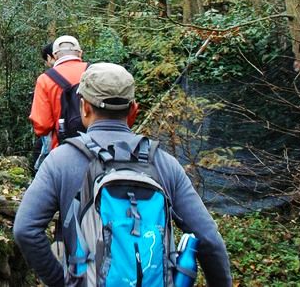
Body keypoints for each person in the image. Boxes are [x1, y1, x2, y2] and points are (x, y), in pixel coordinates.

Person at [14, 63, 232, 287]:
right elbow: (209, 241)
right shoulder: (165, 164)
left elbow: (25, 230)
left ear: (85, 108)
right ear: (133, 110)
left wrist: (61, 281)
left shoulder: (61, 161)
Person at [29, 35, 89, 151]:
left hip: (63, 148)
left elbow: (42, 126)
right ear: (80, 53)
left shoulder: (45, 79)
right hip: (99, 146)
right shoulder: (96, 71)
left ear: (55, 55)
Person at [30, 42, 56, 172]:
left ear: (51, 57)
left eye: (46, 60)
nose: (46, 64)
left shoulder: (47, 79)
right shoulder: (86, 72)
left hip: (54, 134)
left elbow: (42, 124)